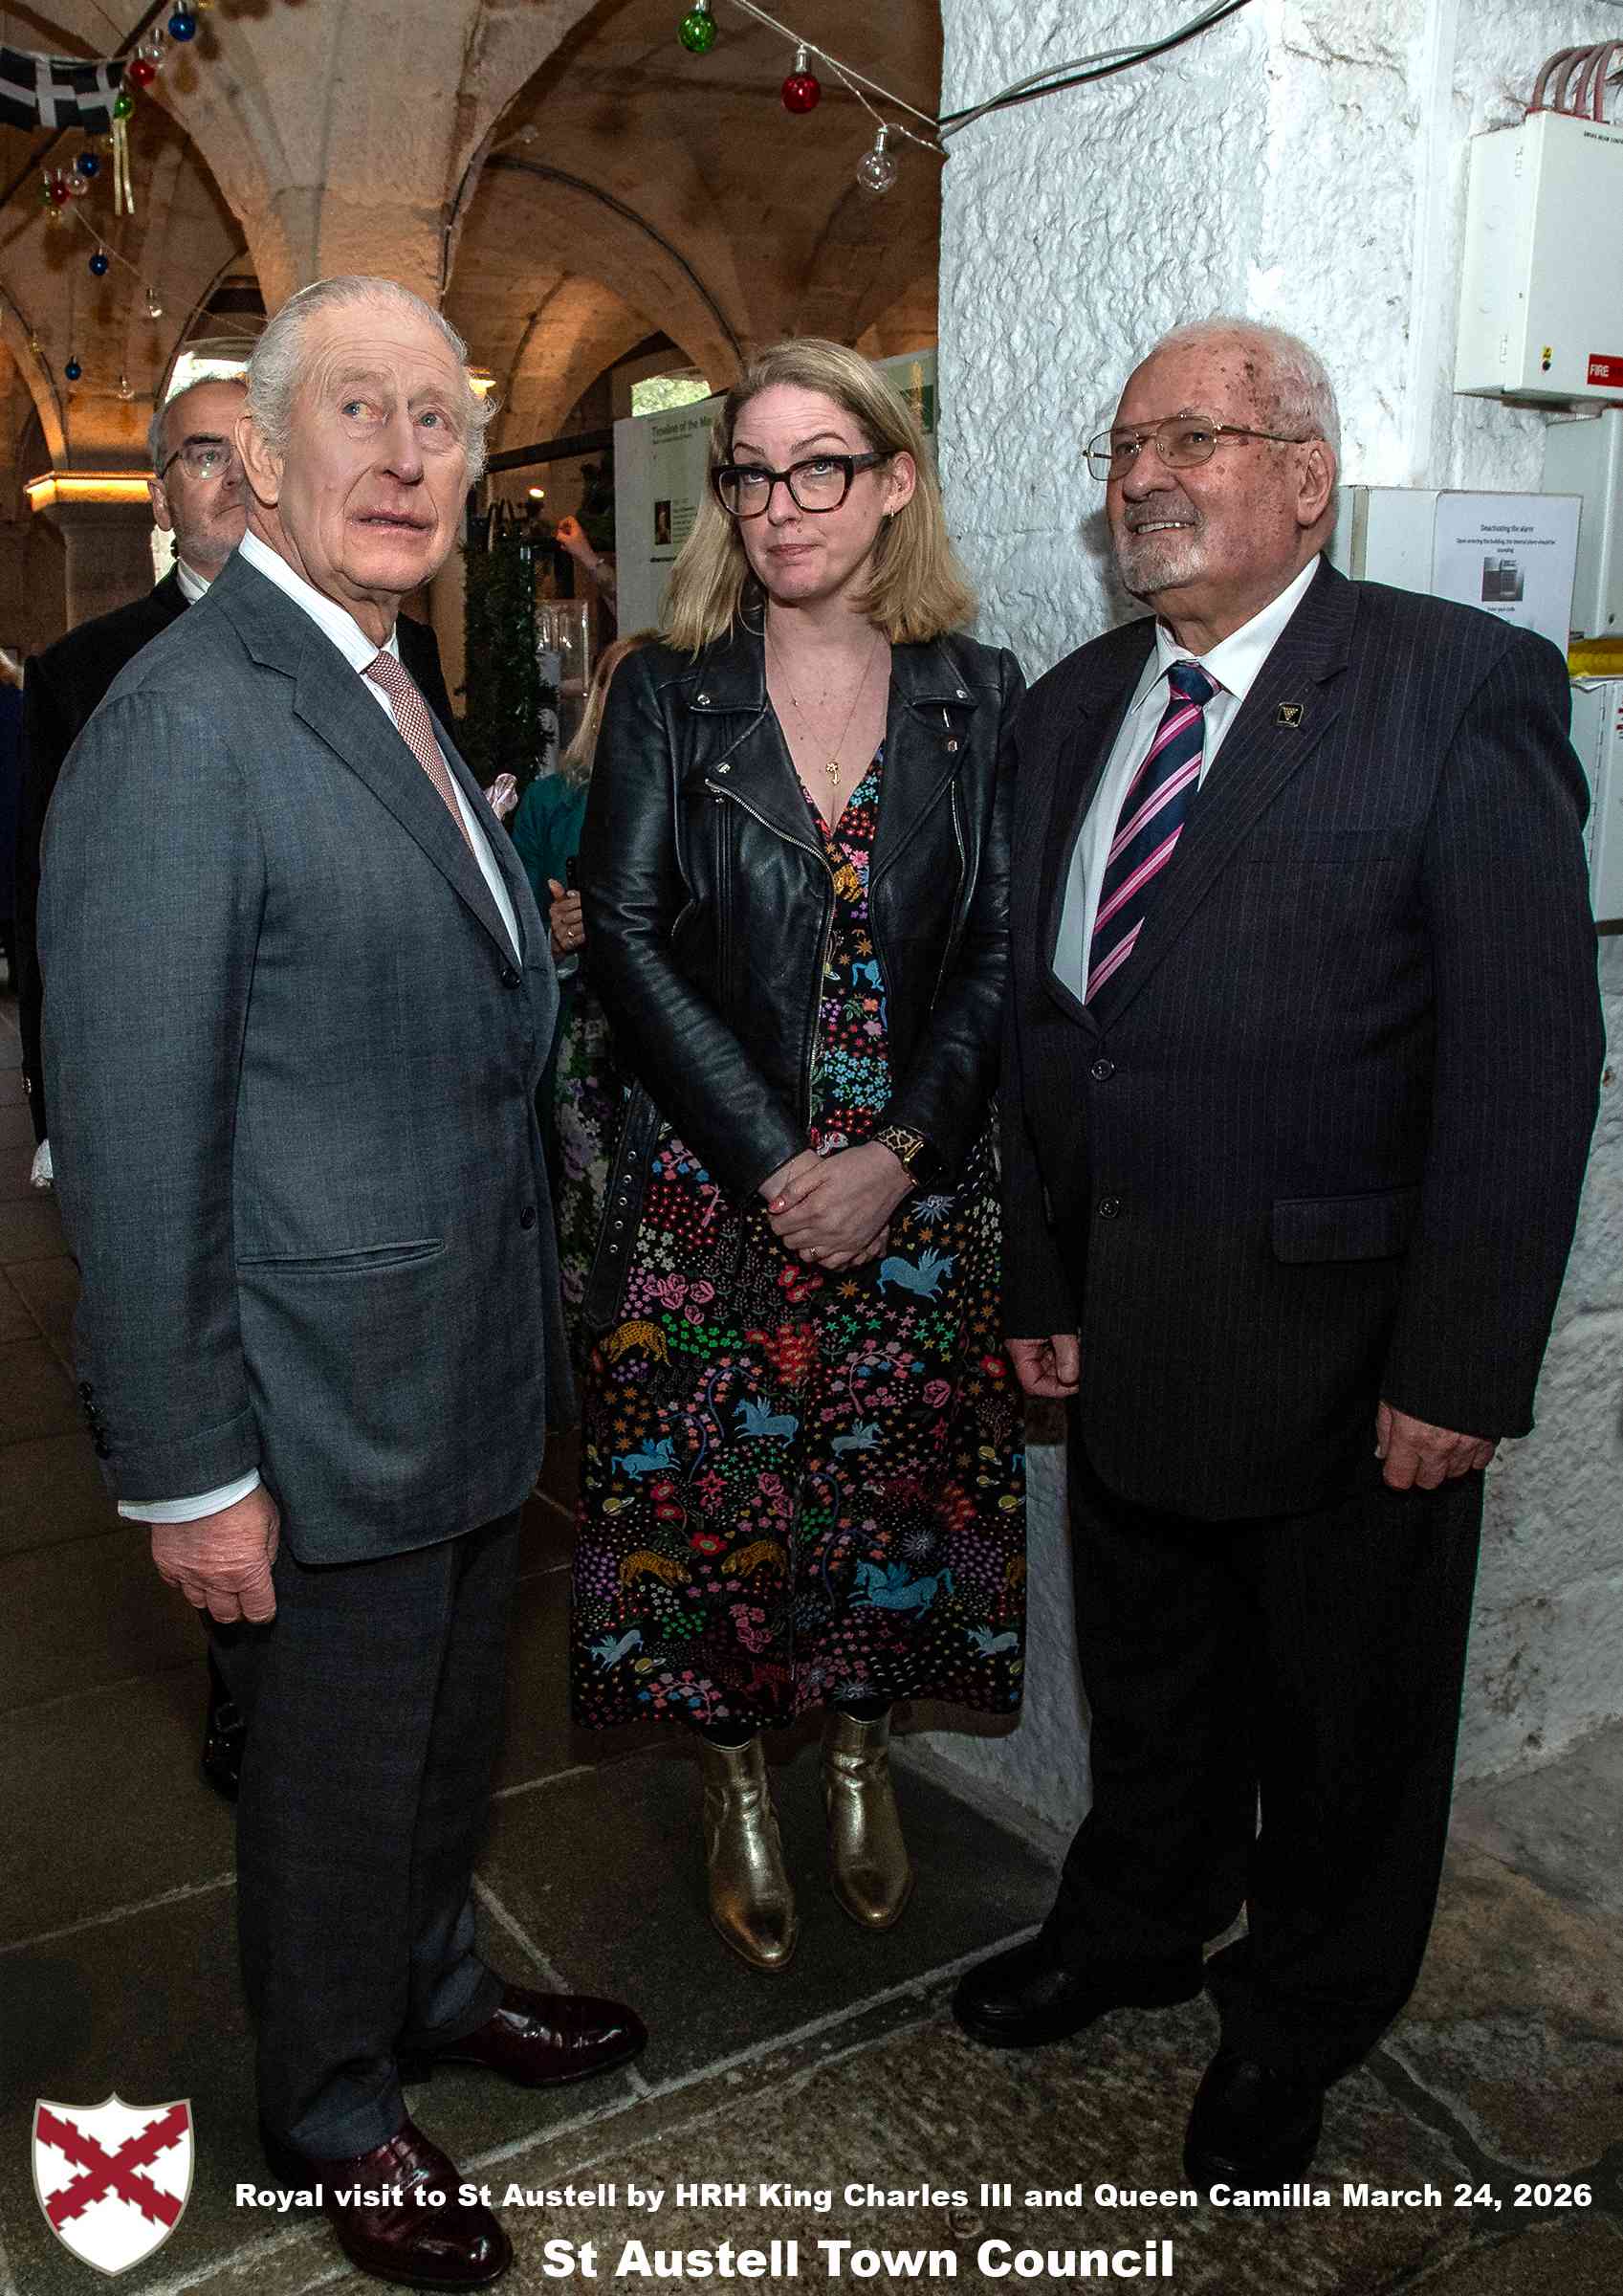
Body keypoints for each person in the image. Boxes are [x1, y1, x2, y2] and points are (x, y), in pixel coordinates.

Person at [41, 275, 645, 2293]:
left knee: (437, 1748)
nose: (403, 457)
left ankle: (435, 1991)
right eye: (357, 417)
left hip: (453, 1371)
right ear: (266, 462)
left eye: (439, 422)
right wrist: (188, 1468)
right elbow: (129, 1145)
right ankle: (327, 2106)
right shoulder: (187, 721)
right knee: (327, 1782)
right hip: (308, 1401)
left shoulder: (387, 677)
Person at [954, 319, 1602, 2190]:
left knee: (1343, 1731)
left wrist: (1457, 1369)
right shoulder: (1072, 708)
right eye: (1124, 443)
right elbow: (1046, 1037)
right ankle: (1132, 1924)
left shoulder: (1451, 685)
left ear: (1301, 477)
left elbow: (1519, 1057)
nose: (1142, 476)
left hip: (1347, 1358)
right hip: (1130, 1331)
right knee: (1149, 1683)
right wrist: (1043, 1289)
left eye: (1194, 439)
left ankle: (1300, 2015)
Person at [570, 338, 1026, 1973]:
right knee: (716, 1498)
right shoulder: (668, 689)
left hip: (914, 1180)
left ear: (892, 479)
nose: (779, 506)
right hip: (719, 1182)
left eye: (817, 466)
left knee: (888, 1492)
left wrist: (900, 1152)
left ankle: (857, 1755)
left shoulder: (980, 694)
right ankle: (739, 1781)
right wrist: (779, 1161)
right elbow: (622, 935)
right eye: (751, 474)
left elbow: (995, 949)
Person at [13, 373, 454, 1803]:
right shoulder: (117, 683)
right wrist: (66, 1107)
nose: (224, 478)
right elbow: (86, 934)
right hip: (218, 1175)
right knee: (290, 1650)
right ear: (177, 487)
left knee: (388, 1701)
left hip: (379, 1260)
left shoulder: (389, 656)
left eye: (438, 429)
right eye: (196, 456)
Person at [509, 630, 654, 1362]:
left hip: (675, 1049)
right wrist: (554, 931)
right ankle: (590, 1363)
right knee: (585, 1210)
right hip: (585, 1045)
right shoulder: (551, 800)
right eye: (622, 687)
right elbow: (504, 938)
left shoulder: (708, 787)